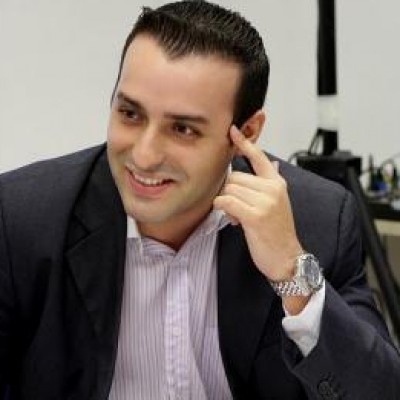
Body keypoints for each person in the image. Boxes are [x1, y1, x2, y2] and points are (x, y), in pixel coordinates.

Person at [0, 1, 399, 399]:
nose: (144, 155)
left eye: (183, 129)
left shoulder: (317, 220)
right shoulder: (24, 218)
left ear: (246, 132)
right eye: (130, 114)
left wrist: (292, 274)